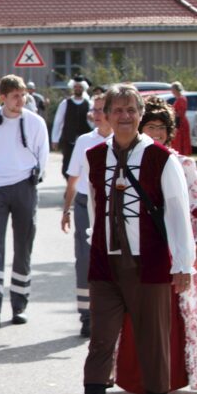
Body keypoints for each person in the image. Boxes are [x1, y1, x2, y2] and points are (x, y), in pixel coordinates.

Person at [57, 84, 195, 394]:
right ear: (106, 115)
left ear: (139, 114)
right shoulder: (95, 155)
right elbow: (97, 207)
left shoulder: (160, 159)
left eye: (131, 110)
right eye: (117, 110)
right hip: (106, 261)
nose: (124, 116)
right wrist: (93, 243)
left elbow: (178, 213)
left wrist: (183, 264)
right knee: (101, 339)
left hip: (148, 261)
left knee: (153, 337)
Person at [112, 97, 197, 392]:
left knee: (174, 312)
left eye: (162, 128)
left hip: (176, 244)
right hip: (138, 247)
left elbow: (194, 208)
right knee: (134, 311)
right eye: (151, 126)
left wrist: (189, 249)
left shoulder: (184, 163)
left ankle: (171, 379)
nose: (157, 133)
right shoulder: (126, 158)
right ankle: (134, 377)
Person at [0, 75, 49, 328]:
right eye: (15, 95)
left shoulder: (35, 122)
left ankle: (19, 304)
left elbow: (43, 153)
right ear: (2, 97)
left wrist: (36, 177)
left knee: (23, 245)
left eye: (23, 94)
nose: (21, 100)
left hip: (25, 186)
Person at [62, 90, 112, 338]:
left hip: (112, 206)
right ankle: (87, 316)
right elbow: (73, 178)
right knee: (84, 260)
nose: (97, 114)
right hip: (84, 204)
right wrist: (66, 210)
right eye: (95, 109)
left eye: (102, 109)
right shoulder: (84, 141)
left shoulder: (123, 140)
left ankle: (111, 313)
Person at [51, 77, 93, 178]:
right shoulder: (65, 103)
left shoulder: (89, 103)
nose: (78, 89)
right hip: (69, 139)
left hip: (84, 140)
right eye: (76, 87)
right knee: (67, 165)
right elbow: (58, 122)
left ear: (83, 88)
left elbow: (93, 123)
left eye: (80, 87)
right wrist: (54, 139)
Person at [170, 82, 192, 156]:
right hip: (178, 122)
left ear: (176, 89)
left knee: (181, 140)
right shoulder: (178, 99)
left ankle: (182, 155)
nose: (171, 91)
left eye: (172, 89)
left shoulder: (181, 99)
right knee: (177, 140)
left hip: (181, 123)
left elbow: (180, 113)